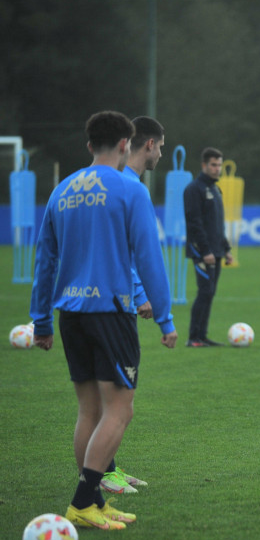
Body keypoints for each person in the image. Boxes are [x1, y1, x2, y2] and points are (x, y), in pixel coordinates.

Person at [30, 110, 178, 530]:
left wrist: (40, 320)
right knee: (120, 410)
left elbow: (45, 260)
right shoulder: (127, 189)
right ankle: (81, 502)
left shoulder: (63, 190)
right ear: (125, 144)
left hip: (70, 314)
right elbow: (150, 259)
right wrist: (165, 318)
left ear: (88, 144)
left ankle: (95, 501)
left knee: (89, 412)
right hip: (109, 312)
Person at [99, 115, 167, 495]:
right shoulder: (126, 185)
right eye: (162, 146)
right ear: (149, 145)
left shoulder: (121, 182)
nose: (162, 153)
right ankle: (100, 476)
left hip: (105, 302)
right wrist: (143, 294)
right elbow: (129, 253)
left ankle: (108, 467)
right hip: (113, 304)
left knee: (109, 399)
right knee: (115, 401)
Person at [184, 147, 233, 347]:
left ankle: (202, 336)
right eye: (213, 165)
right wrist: (205, 251)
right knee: (204, 292)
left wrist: (226, 248)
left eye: (219, 165)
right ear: (204, 165)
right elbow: (194, 223)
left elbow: (217, 224)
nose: (217, 169)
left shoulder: (216, 189)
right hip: (203, 252)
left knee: (210, 292)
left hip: (217, 251)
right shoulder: (193, 189)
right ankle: (194, 337)